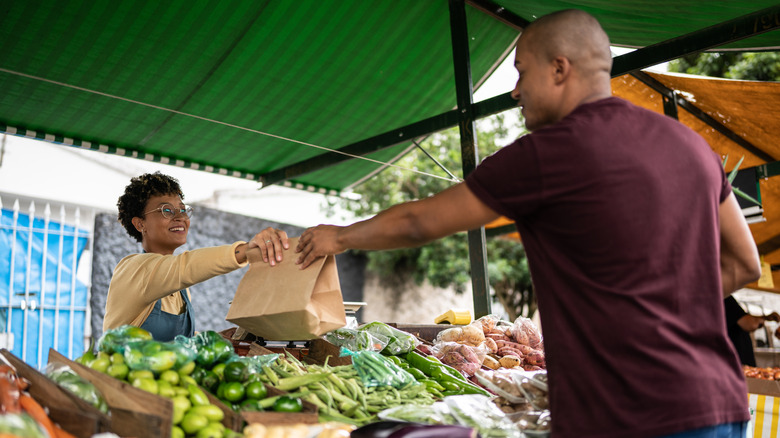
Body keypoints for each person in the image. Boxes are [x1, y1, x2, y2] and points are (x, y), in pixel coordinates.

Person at [295, 9, 761, 438]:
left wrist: (337, 235)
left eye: (521, 72)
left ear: (560, 68)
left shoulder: (554, 150)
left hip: (628, 414)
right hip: (718, 402)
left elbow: (421, 220)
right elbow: (743, 265)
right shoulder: (693, 147)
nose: (516, 90)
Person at [104, 171, 289, 342]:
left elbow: (179, 342)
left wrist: (217, 338)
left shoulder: (180, 290)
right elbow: (186, 266)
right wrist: (246, 250)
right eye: (166, 211)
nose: (180, 217)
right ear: (139, 224)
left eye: (183, 210)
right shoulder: (134, 268)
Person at [724, 295, 780, 366]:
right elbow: (750, 324)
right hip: (735, 362)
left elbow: (742, 317)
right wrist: (762, 319)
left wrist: (764, 317)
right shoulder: (725, 298)